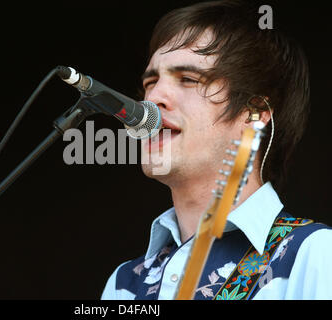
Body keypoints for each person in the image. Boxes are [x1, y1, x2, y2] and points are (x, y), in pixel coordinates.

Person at [101, 0, 332, 300]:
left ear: (255, 113)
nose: (153, 98)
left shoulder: (314, 257)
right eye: (151, 81)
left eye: (188, 79)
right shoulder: (122, 286)